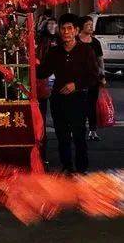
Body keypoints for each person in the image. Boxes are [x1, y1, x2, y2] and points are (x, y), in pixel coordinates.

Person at [37, 13, 99, 174]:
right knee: (62, 136)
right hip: (58, 99)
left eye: (69, 28)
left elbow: (93, 76)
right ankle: (67, 167)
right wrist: (29, 62)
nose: (66, 32)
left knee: (79, 136)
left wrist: (76, 85)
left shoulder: (86, 51)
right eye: (63, 28)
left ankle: (82, 168)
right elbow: (42, 72)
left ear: (76, 31)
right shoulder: (55, 52)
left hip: (78, 99)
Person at [78, 15, 106, 141]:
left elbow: (100, 60)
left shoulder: (95, 42)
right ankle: (77, 130)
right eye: (88, 25)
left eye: (91, 25)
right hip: (77, 79)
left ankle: (93, 131)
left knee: (91, 105)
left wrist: (103, 76)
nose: (91, 27)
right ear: (81, 27)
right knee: (78, 105)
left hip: (93, 79)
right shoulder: (75, 40)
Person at [36, 17, 59, 165]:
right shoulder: (41, 39)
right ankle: (42, 148)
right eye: (49, 23)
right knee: (42, 113)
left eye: (54, 23)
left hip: (58, 79)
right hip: (43, 80)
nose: (52, 25)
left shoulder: (60, 39)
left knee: (58, 111)